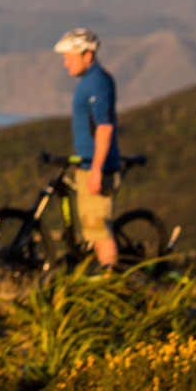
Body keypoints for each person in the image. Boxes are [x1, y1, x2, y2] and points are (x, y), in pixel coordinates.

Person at [54, 26, 119, 268]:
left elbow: (104, 127)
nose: (65, 63)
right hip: (87, 165)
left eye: (69, 57)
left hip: (95, 167)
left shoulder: (97, 84)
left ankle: (110, 285)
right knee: (93, 231)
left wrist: (96, 170)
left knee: (98, 231)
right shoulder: (90, 82)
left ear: (87, 55)